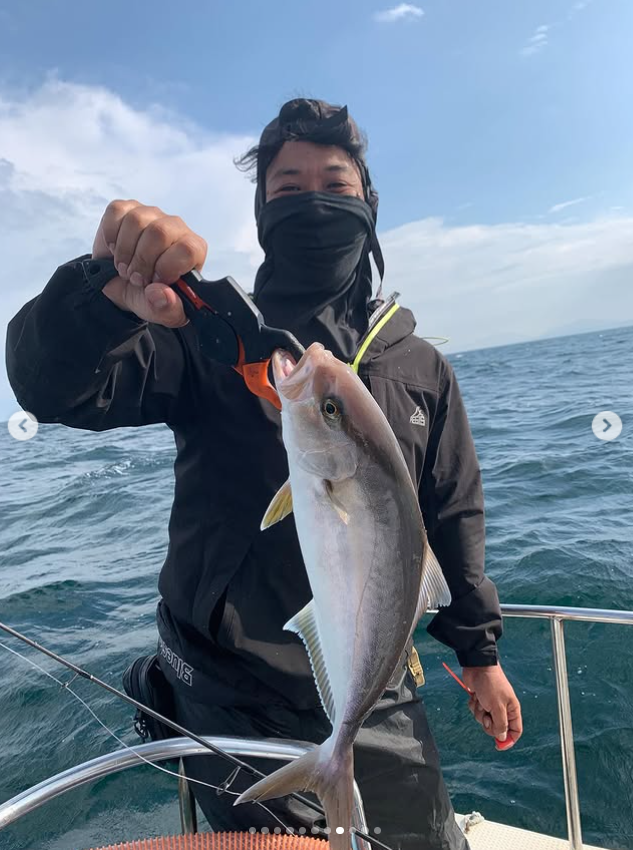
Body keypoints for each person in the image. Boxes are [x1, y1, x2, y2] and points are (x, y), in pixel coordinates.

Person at [6, 98, 522, 849]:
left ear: (368, 205)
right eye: (288, 188)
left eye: (335, 186)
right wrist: (100, 297)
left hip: (374, 683)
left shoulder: (419, 367)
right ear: (261, 212)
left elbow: (450, 514)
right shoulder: (205, 334)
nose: (314, 202)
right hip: (231, 689)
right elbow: (50, 388)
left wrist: (478, 653)